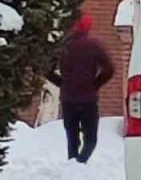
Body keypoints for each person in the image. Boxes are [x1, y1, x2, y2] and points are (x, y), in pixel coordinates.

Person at [47, 13, 114, 163]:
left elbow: (47, 69)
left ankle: (73, 164)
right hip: (87, 99)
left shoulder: (62, 46)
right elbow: (109, 69)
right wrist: (95, 84)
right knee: (90, 139)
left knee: (72, 138)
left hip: (68, 99)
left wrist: (62, 83)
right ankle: (81, 163)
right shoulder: (94, 46)